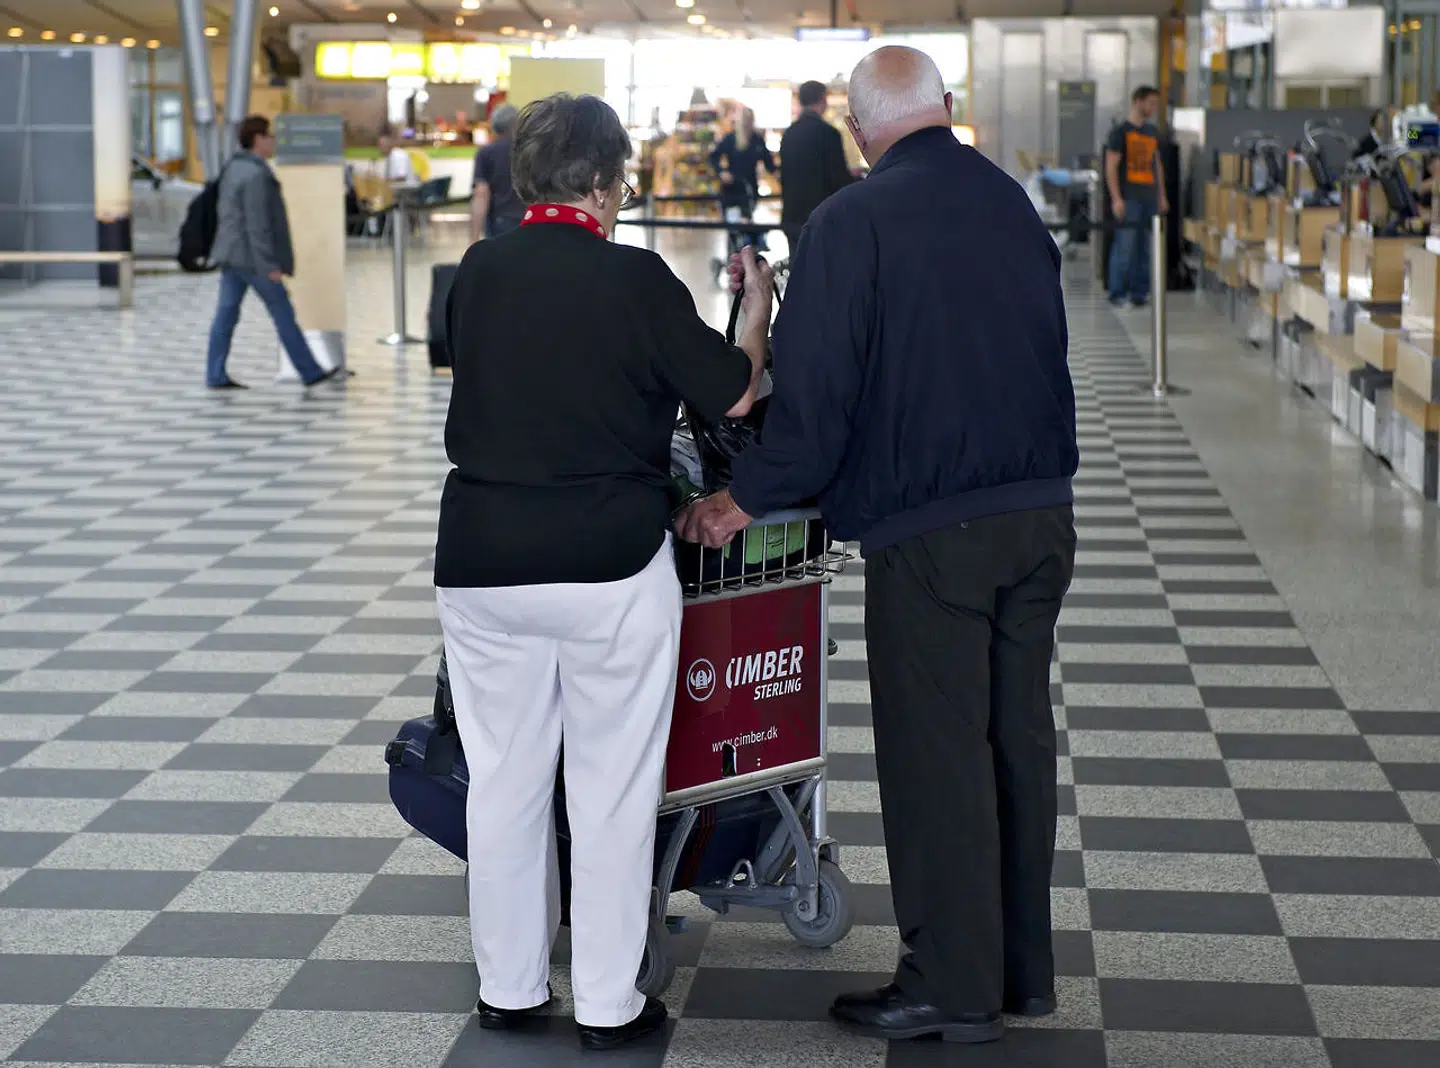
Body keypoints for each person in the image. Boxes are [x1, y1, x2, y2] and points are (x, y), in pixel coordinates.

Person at [678, 45, 1078, 1046]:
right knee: (1014, 745)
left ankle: (950, 984)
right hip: (1041, 517)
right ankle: (1017, 972)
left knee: (939, 755)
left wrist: (739, 501)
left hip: (934, 533)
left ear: (859, 130)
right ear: (945, 107)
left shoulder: (849, 222)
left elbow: (816, 409)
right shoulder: (1010, 203)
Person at [434, 93, 772, 1050]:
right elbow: (736, 393)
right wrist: (755, 310)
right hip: (608, 563)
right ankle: (607, 1004)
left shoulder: (479, 269)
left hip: (483, 559)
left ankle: (509, 988)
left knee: (504, 779)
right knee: (611, 788)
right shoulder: (634, 276)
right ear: (599, 181)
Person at [205, 115, 339, 391]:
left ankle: (215, 373)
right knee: (282, 311)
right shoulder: (256, 175)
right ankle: (309, 371)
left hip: (231, 254)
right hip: (253, 258)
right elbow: (258, 225)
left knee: (226, 314)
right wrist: (269, 265)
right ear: (258, 139)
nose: (273, 141)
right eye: (270, 136)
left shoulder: (234, 168)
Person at [1104, 85, 1168, 309]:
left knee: (1146, 248)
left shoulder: (1152, 132)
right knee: (1125, 246)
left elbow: (1156, 165)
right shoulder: (1120, 132)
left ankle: (1140, 292)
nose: (1153, 108)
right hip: (1129, 197)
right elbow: (1111, 166)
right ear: (1137, 101)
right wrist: (1116, 198)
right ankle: (1117, 292)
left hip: (1149, 196)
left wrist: (1161, 195)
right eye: (1150, 103)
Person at [779, 79, 852, 251]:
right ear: (822, 99)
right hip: (821, 218)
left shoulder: (789, 134)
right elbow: (838, 179)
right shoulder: (828, 133)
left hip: (792, 217)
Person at [710, 107, 776, 255]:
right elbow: (714, 156)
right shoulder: (731, 139)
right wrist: (722, 172)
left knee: (747, 223)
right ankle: (733, 255)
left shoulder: (757, 140)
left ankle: (746, 254)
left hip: (749, 191)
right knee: (733, 228)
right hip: (732, 190)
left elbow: (769, 164)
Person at [471, 104, 525, 241]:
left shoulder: (486, 153)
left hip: (500, 222)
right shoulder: (529, 152)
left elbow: (481, 193)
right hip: (529, 220)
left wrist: (474, 237)